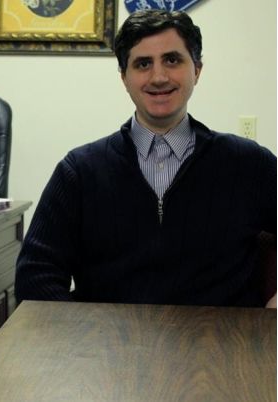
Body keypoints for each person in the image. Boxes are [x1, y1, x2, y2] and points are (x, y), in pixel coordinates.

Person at [15, 10, 276, 308]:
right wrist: (83, 331)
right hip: (108, 337)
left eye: (172, 60)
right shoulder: (80, 172)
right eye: (143, 64)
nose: (159, 77)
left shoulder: (249, 163)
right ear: (124, 78)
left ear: (197, 70)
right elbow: (35, 275)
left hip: (222, 336)